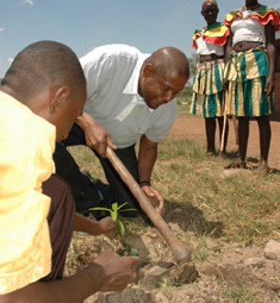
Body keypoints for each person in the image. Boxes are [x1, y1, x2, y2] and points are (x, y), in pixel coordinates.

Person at [0, 40, 139, 302]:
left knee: (57, 191)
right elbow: (9, 299)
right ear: (59, 97)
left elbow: (24, 204)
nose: (65, 134)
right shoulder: (25, 142)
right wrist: (97, 277)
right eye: (74, 113)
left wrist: (95, 227)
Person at [54, 44, 190, 218]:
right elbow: (64, 91)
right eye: (165, 88)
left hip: (116, 144)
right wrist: (88, 124)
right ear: (148, 72)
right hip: (75, 120)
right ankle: (86, 196)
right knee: (42, 139)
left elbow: (149, 146)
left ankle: (95, 186)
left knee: (132, 208)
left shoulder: (168, 108)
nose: (169, 98)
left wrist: (144, 183)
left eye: (176, 92)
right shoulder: (110, 61)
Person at [223, 0, 280, 173]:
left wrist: (271, 75)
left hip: (257, 62)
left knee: (261, 113)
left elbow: (272, 44)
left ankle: (264, 162)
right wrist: (227, 70)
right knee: (242, 114)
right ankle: (241, 158)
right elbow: (229, 45)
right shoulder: (233, 16)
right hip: (237, 65)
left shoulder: (267, 12)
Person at [190, 0, 230, 158]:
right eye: (207, 12)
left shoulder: (224, 29)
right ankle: (210, 148)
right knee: (209, 113)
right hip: (203, 71)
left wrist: (227, 73)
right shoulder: (199, 33)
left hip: (218, 69)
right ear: (202, 14)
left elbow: (228, 52)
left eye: (213, 10)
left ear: (218, 12)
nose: (210, 13)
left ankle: (222, 149)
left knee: (220, 112)